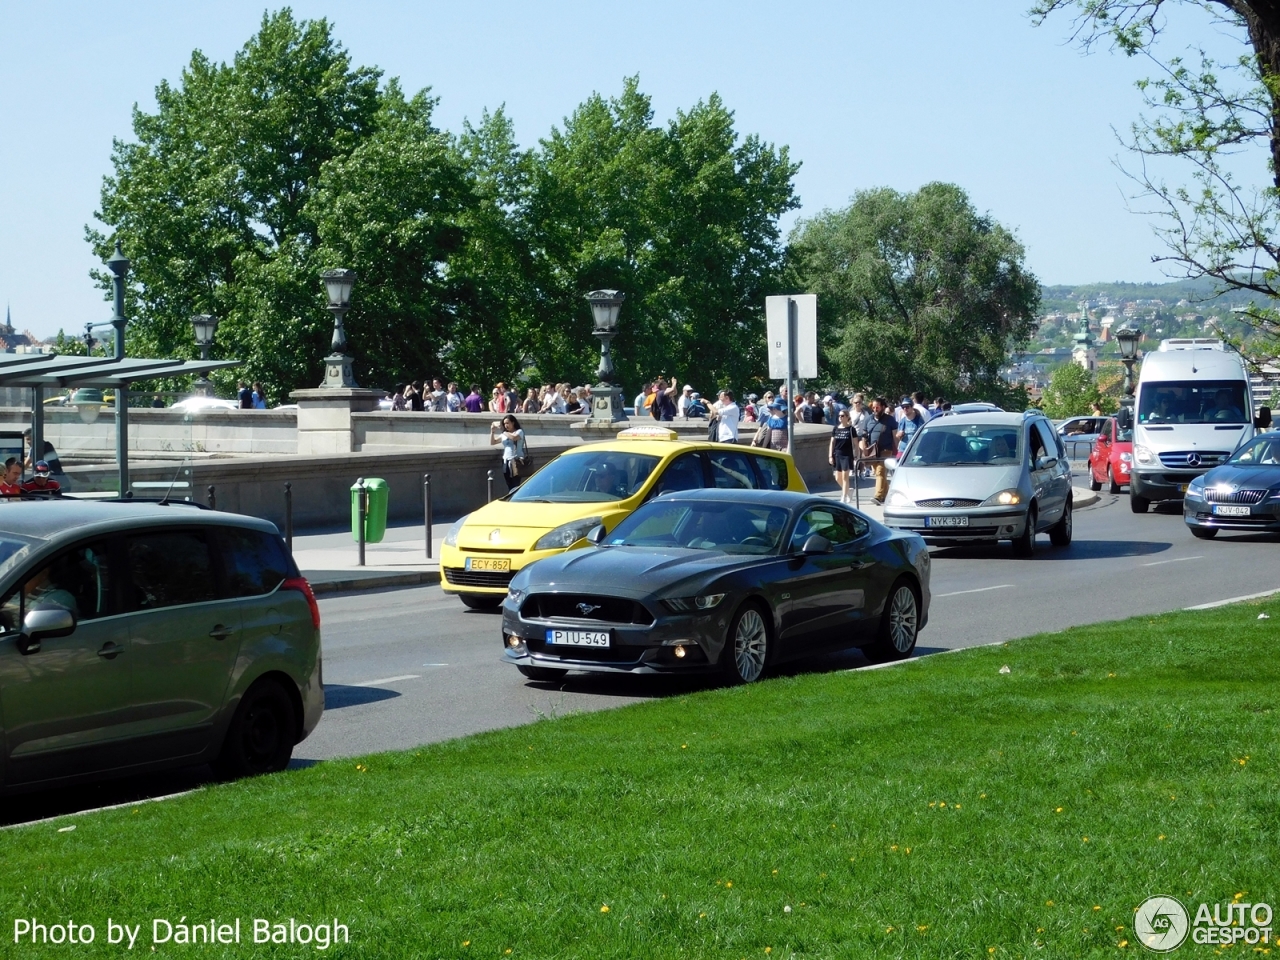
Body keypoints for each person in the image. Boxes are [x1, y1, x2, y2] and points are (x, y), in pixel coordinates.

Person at [861, 398, 896, 504]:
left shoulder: (890, 420)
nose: (875, 409)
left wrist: (898, 450)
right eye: (874, 407)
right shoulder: (868, 419)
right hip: (872, 451)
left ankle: (878, 496)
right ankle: (888, 493)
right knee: (879, 474)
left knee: (880, 471)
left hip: (886, 450)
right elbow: (864, 435)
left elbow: (895, 436)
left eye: (877, 407)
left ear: (883, 407)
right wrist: (864, 448)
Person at [490, 414, 528, 490]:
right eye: (504, 424)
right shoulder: (504, 434)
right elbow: (493, 442)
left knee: (515, 483)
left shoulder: (519, 431)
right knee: (509, 483)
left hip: (516, 461)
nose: (506, 425)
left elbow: (514, 438)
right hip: (506, 461)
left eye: (507, 423)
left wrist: (503, 431)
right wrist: (492, 432)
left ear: (513, 423)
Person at [829, 409, 857, 503]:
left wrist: (856, 456)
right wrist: (830, 456)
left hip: (847, 455)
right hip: (837, 454)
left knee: (845, 477)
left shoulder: (851, 429)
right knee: (837, 477)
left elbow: (856, 444)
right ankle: (849, 491)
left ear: (847, 417)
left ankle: (844, 496)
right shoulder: (836, 428)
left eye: (842, 416)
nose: (840, 417)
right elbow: (832, 443)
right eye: (839, 416)